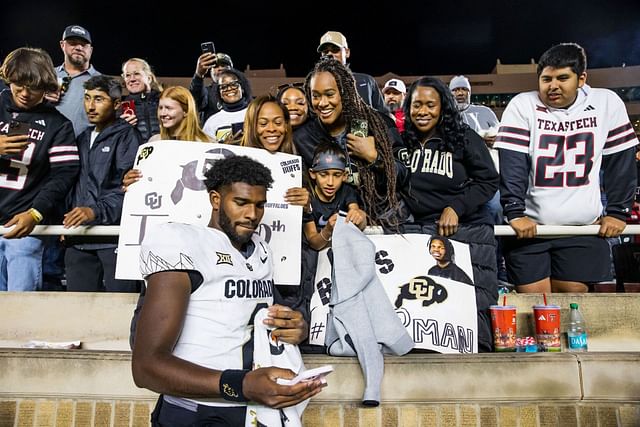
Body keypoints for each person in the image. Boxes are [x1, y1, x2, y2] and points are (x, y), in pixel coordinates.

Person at [131, 155, 324, 425]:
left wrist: (295, 329)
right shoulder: (180, 241)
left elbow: (258, 321)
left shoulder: (261, 250)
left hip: (251, 410)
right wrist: (240, 384)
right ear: (215, 200)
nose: (252, 214)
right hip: (195, 411)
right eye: (241, 203)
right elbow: (146, 368)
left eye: (259, 205)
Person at [495, 42, 639, 293]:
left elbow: (621, 160)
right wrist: (515, 211)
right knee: (534, 305)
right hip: (531, 228)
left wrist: (618, 211)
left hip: (581, 228)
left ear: (581, 78)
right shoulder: (522, 104)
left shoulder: (606, 103)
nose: (553, 86)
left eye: (563, 78)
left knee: (572, 303)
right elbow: (513, 164)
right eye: (546, 79)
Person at [395, 76, 499, 352]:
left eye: (431, 105)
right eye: (417, 105)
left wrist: (457, 207)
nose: (423, 111)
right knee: (427, 312)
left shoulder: (463, 137)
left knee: (470, 312)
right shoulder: (400, 142)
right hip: (420, 234)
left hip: (467, 231)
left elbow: (489, 181)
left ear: (443, 107)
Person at [0, 47, 79, 291]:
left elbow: (64, 174)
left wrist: (35, 213)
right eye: (18, 85)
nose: (24, 93)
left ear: (45, 87)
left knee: (19, 311)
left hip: (21, 226)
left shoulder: (58, 125)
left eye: (33, 88)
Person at [294, 56, 403, 227]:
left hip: (382, 224)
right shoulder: (303, 137)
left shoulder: (378, 124)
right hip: (327, 228)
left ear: (345, 92)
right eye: (316, 96)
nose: (322, 103)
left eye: (330, 94)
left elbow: (404, 175)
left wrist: (374, 157)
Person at [63, 75, 142, 292]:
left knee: (119, 310)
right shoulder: (81, 137)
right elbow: (71, 184)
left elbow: (130, 189)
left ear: (116, 104)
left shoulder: (128, 137)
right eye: (87, 98)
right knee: (77, 310)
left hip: (113, 238)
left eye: (99, 99)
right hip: (77, 238)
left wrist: (94, 211)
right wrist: (67, 215)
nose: (90, 106)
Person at [123, 86, 211, 188]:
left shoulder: (206, 143)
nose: (163, 113)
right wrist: (131, 181)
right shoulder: (153, 142)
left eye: (169, 108)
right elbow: (145, 180)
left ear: (186, 111)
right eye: (160, 108)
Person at [304, 142, 366, 251]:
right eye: (323, 175)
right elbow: (314, 243)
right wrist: (328, 230)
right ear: (313, 173)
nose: (330, 182)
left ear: (344, 176)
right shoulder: (307, 199)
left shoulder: (346, 191)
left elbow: (357, 214)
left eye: (336, 175)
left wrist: (359, 216)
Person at [316, 31, 388, 115]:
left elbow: (383, 115)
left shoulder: (366, 81)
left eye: (335, 50)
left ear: (347, 52)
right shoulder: (315, 84)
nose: (330, 54)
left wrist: (359, 128)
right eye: (325, 52)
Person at [47, 25, 101, 137]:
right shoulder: (47, 75)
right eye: (73, 43)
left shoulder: (102, 81)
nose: (79, 48)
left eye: (83, 45)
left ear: (90, 50)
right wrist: (40, 97)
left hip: (83, 149)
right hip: (46, 145)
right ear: (62, 45)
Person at [202, 68, 252, 142]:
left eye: (234, 84)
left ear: (242, 88)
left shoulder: (255, 114)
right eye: (224, 87)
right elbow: (206, 150)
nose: (229, 89)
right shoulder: (212, 121)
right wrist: (224, 145)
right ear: (220, 94)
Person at [120, 58, 163, 142]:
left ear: (149, 78)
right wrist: (119, 126)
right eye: (127, 75)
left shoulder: (164, 100)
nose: (132, 79)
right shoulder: (119, 107)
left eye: (136, 73)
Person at [190, 52, 234, 123]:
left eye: (223, 65)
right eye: (215, 66)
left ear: (231, 70)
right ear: (210, 71)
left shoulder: (240, 92)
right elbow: (195, 100)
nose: (220, 69)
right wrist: (198, 75)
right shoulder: (206, 92)